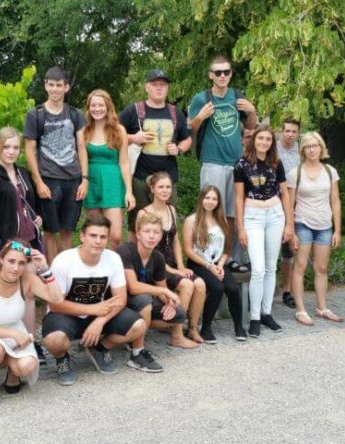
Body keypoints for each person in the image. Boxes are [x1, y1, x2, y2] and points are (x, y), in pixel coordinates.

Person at [42, 217, 147, 386]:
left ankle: (99, 348)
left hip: (100, 312)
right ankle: (62, 359)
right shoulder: (64, 260)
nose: (98, 241)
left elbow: (120, 298)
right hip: (66, 314)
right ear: (82, 236)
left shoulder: (113, 258)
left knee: (139, 326)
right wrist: (94, 309)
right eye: (93, 235)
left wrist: (100, 320)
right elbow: (55, 303)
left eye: (103, 237)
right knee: (54, 340)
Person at [0, 239, 64, 408]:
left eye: (22, 263)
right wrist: (14, 335)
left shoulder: (28, 279)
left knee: (27, 366)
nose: (16, 268)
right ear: (1, 259)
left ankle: (12, 373)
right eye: (11, 261)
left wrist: (45, 269)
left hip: (13, 330)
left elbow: (57, 298)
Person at [0, 127, 45, 361]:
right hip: (9, 246)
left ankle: (28, 339)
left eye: (15, 147)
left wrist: (37, 217)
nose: (11, 151)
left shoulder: (23, 173)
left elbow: (31, 203)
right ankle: (19, 340)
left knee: (28, 295)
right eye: (6, 146)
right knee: (19, 295)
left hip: (30, 239)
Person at [188, 54, 257, 273]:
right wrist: (201, 116)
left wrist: (252, 110)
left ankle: (233, 258)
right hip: (213, 163)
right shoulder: (202, 98)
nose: (222, 76)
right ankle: (209, 256)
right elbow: (190, 130)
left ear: (230, 74)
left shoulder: (237, 96)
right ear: (211, 75)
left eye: (226, 72)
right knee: (211, 211)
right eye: (218, 72)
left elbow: (251, 127)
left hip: (236, 163)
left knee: (234, 213)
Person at [234, 124, 294, 338]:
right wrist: (240, 227)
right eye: (261, 138)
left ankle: (267, 313)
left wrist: (289, 224)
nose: (264, 142)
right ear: (254, 140)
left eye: (268, 139)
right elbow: (239, 198)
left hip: (275, 214)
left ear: (271, 142)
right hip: (253, 217)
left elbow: (285, 194)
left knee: (270, 267)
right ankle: (255, 317)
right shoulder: (241, 164)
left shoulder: (276, 163)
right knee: (258, 269)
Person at [119, 69, 192, 241]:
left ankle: (165, 261)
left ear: (167, 88)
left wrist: (179, 149)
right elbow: (113, 133)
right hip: (140, 177)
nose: (159, 88)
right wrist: (133, 138)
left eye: (163, 85)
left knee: (167, 223)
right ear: (147, 87)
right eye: (155, 84)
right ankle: (134, 261)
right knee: (137, 223)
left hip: (168, 179)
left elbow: (187, 139)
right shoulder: (134, 110)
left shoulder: (175, 112)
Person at [24, 66, 88, 263]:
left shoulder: (75, 114)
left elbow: (81, 147)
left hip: (73, 178)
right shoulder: (35, 114)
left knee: (68, 230)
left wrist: (85, 179)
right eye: (51, 85)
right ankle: (51, 275)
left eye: (59, 85)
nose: (55, 89)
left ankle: (64, 274)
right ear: (45, 85)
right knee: (51, 231)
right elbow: (29, 150)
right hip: (49, 179)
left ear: (66, 87)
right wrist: (38, 182)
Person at [117, 212, 197, 364]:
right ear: (138, 234)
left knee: (178, 314)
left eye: (156, 232)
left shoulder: (158, 257)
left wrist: (169, 302)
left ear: (161, 236)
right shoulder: (125, 251)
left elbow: (161, 287)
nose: (151, 236)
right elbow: (133, 287)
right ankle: (137, 351)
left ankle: (134, 335)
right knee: (145, 300)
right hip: (121, 302)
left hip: (141, 302)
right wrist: (165, 292)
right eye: (147, 232)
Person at [138, 172, 206, 343]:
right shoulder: (144, 213)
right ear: (152, 189)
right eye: (161, 187)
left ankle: (191, 327)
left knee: (200, 284)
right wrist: (175, 271)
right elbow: (151, 249)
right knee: (186, 284)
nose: (165, 190)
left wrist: (181, 266)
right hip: (156, 267)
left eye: (168, 187)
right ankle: (176, 333)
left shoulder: (171, 209)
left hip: (172, 264)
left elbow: (175, 241)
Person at [286, 131, 342, 326]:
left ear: (321, 148)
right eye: (308, 146)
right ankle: (300, 310)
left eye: (315, 145)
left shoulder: (330, 171)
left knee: (322, 268)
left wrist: (337, 229)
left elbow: (335, 201)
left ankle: (322, 307)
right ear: (303, 150)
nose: (312, 149)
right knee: (300, 266)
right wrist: (291, 230)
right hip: (303, 224)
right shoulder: (295, 173)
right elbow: (290, 204)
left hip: (325, 226)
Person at [183, 186, 246, 343]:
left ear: (218, 202)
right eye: (207, 198)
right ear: (201, 199)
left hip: (218, 263)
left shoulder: (221, 220)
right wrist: (209, 266)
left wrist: (220, 264)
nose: (210, 202)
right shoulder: (191, 220)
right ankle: (206, 328)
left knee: (232, 288)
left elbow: (226, 249)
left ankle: (239, 326)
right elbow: (188, 250)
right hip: (199, 263)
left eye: (214, 199)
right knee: (217, 288)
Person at [82, 89, 135, 248]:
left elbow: (124, 163)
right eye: (93, 105)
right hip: (91, 181)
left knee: (115, 236)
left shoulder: (119, 130)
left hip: (112, 182)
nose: (97, 109)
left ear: (108, 107)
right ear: (89, 108)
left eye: (101, 105)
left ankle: (114, 268)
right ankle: (95, 268)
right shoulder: (84, 130)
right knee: (94, 233)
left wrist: (129, 191)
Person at [276, 118, 302, 309]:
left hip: (295, 204)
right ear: (281, 131)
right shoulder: (273, 149)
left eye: (294, 131)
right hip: (273, 204)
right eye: (287, 131)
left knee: (290, 252)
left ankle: (287, 290)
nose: (290, 134)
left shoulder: (301, 151)